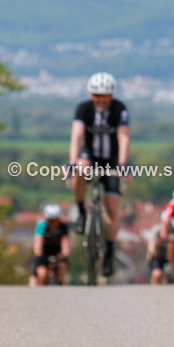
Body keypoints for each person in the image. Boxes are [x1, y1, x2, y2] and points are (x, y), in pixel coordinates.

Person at [69, 72, 130, 278]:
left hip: (112, 158)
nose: (101, 100)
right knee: (78, 168)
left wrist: (122, 165)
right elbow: (77, 136)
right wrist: (72, 162)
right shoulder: (83, 109)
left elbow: (123, 137)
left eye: (105, 96)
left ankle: (109, 253)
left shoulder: (119, 109)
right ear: (91, 94)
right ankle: (81, 211)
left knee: (112, 206)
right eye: (97, 95)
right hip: (90, 155)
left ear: (111, 96)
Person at [31, 204, 70, 286]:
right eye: (50, 221)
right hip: (44, 251)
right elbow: (38, 243)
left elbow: (65, 242)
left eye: (55, 221)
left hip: (56, 251)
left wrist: (64, 254)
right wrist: (39, 256)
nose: (53, 223)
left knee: (62, 265)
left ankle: (60, 283)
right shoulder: (42, 226)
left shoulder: (63, 227)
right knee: (42, 274)